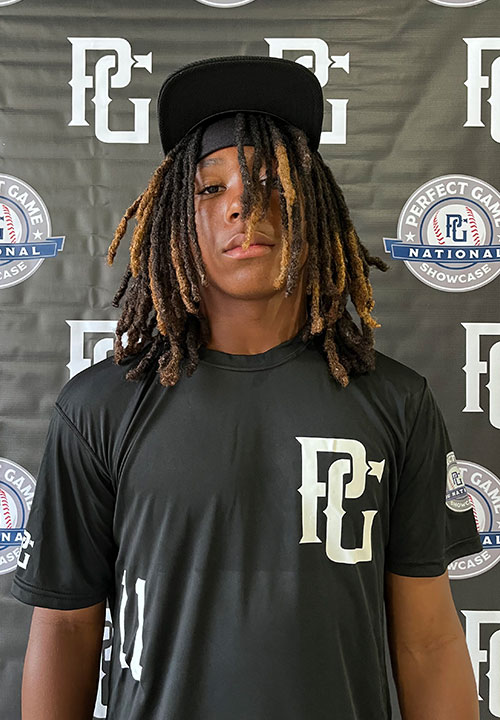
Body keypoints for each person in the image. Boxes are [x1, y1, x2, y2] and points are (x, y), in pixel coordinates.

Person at [11, 56, 482, 720]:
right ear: (175, 218)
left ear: (312, 207)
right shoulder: (99, 409)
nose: (243, 204)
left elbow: (429, 642)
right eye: (212, 187)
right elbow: (65, 628)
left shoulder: (397, 403)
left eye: (270, 183)